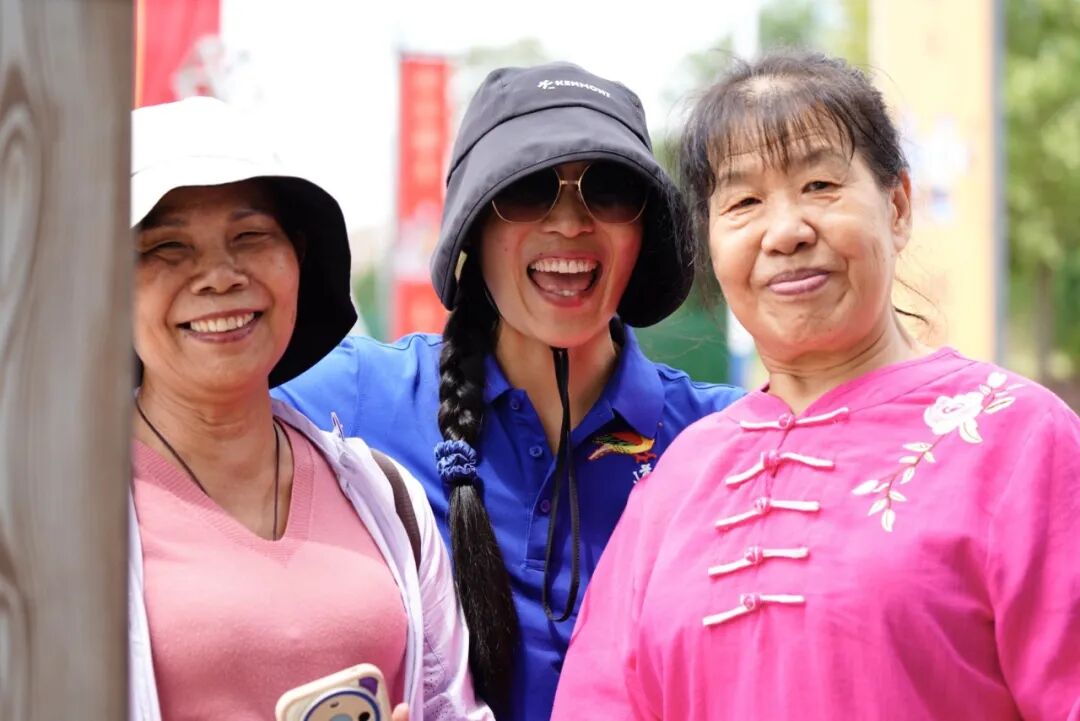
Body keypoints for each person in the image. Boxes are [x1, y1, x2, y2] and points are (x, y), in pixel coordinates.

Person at [551, 50, 1080, 721]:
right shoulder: (674, 482)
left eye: (820, 185)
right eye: (744, 201)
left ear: (897, 205)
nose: (786, 232)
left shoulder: (1020, 439)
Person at [274, 61, 745, 720]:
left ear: (645, 232)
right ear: (473, 227)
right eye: (527, 188)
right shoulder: (354, 398)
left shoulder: (723, 439)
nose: (571, 222)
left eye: (609, 189)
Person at [127, 96, 491, 721]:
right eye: (166, 247)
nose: (219, 275)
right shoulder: (55, 519)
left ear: (298, 257)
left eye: (250, 237)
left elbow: (452, 709)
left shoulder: (384, 496)